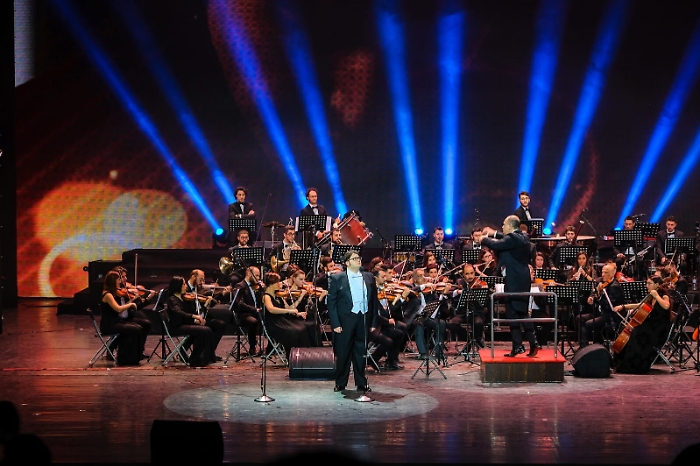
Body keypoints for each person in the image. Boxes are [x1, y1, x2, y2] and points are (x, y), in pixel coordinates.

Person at [480, 215, 540, 357]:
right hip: (520, 278)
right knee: (517, 312)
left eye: (504, 224)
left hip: (515, 279)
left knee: (516, 312)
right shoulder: (522, 237)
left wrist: (483, 239)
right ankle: (521, 345)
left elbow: (496, 245)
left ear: (510, 226)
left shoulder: (513, 238)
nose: (502, 227)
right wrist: (494, 233)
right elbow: (504, 237)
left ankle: (528, 343)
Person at [327, 250, 378, 393]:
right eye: (354, 258)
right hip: (345, 320)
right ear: (347, 262)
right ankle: (341, 382)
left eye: (358, 258)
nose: (358, 260)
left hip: (363, 318)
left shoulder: (369, 277)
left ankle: (361, 383)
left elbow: (374, 301)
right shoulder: (337, 278)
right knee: (343, 352)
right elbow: (331, 303)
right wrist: (335, 323)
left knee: (361, 352)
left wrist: (373, 322)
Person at [611, 275, 672, 374]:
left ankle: (635, 366)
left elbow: (666, 306)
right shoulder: (650, 297)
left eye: (649, 283)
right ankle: (620, 362)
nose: (647, 286)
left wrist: (656, 295)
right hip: (650, 327)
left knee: (637, 333)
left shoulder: (664, 296)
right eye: (647, 283)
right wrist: (623, 306)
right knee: (631, 331)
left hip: (659, 330)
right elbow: (639, 305)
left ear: (657, 284)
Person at [166, 276, 219, 366]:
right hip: (176, 326)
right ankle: (195, 359)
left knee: (206, 330)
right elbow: (179, 313)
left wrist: (195, 319)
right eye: (183, 284)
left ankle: (205, 356)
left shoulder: (183, 298)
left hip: (184, 324)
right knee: (204, 330)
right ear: (178, 286)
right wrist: (195, 316)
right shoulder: (172, 299)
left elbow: (187, 314)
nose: (186, 286)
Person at [99, 271, 148, 365]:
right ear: (113, 281)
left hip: (115, 322)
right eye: (118, 280)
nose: (120, 282)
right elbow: (118, 309)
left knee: (138, 327)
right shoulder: (108, 295)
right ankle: (124, 358)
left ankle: (134, 357)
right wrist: (131, 304)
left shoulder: (113, 294)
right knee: (134, 329)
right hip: (109, 325)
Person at [260, 272, 311, 359]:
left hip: (282, 320)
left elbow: (290, 308)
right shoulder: (266, 296)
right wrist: (288, 310)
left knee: (302, 328)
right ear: (271, 284)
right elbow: (271, 309)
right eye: (277, 282)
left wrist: (299, 301)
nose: (280, 284)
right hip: (274, 323)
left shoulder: (279, 296)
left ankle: (302, 356)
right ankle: (291, 357)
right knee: (294, 331)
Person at [370, 265, 410, 370]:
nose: (385, 279)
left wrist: (398, 299)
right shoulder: (372, 292)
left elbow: (388, 310)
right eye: (382, 277)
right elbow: (374, 314)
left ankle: (391, 361)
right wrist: (387, 321)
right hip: (375, 326)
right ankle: (373, 359)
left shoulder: (384, 290)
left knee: (400, 332)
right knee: (390, 340)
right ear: (375, 278)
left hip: (383, 323)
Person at [579, 262, 625, 348]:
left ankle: (598, 345)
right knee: (580, 318)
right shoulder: (601, 282)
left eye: (606, 273)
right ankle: (583, 346)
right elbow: (594, 293)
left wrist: (598, 296)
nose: (603, 275)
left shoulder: (614, 286)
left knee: (589, 324)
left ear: (612, 274)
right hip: (600, 313)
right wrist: (591, 297)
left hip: (610, 316)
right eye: (602, 272)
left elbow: (608, 305)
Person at [411, 265, 451, 361]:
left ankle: (438, 352)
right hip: (414, 318)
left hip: (427, 316)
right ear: (415, 279)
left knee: (441, 323)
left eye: (423, 275)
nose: (423, 278)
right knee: (419, 323)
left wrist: (443, 294)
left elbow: (437, 304)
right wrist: (424, 286)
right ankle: (423, 353)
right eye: (420, 276)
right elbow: (412, 291)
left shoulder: (430, 290)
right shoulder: (411, 287)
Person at [184, 270, 226, 358]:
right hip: (191, 319)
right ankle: (187, 351)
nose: (202, 282)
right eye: (201, 279)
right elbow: (186, 309)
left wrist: (220, 294)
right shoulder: (184, 289)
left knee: (220, 324)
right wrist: (196, 317)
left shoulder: (199, 289)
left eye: (203, 280)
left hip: (202, 317)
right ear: (193, 277)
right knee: (204, 329)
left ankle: (209, 353)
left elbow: (211, 303)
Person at [446, 263, 488, 349]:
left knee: (478, 323)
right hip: (463, 312)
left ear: (474, 273)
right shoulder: (460, 282)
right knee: (451, 323)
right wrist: (457, 292)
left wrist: (484, 289)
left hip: (477, 312)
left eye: (472, 273)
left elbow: (486, 299)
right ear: (463, 274)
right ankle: (471, 339)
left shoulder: (480, 283)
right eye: (467, 274)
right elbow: (449, 293)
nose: (470, 276)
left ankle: (474, 340)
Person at [233, 266, 263, 356]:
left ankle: (270, 347)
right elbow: (239, 303)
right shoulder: (240, 286)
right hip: (243, 315)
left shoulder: (255, 286)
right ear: (249, 274)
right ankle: (252, 347)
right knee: (253, 322)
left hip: (254, 313)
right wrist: (254, 309)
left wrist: (262, 290)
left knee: (270, 317)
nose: (258, 278)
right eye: (256, 276)